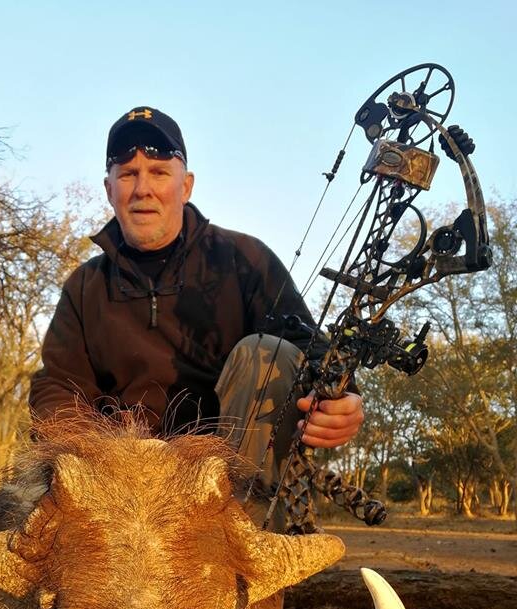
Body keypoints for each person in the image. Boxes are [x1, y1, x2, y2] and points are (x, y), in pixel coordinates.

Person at [29, 106, 363, 501]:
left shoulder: (246, 259)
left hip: (224, 481)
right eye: (128, 174)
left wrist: (343, 399)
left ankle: (248, 527)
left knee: (266, 353)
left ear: (185, 186)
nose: (142, 189)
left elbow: (311, 352)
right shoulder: (85, 285)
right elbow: (58, 386)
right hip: (122, 484)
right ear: (109, 189)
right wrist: (98, 458)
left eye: (158, 172)